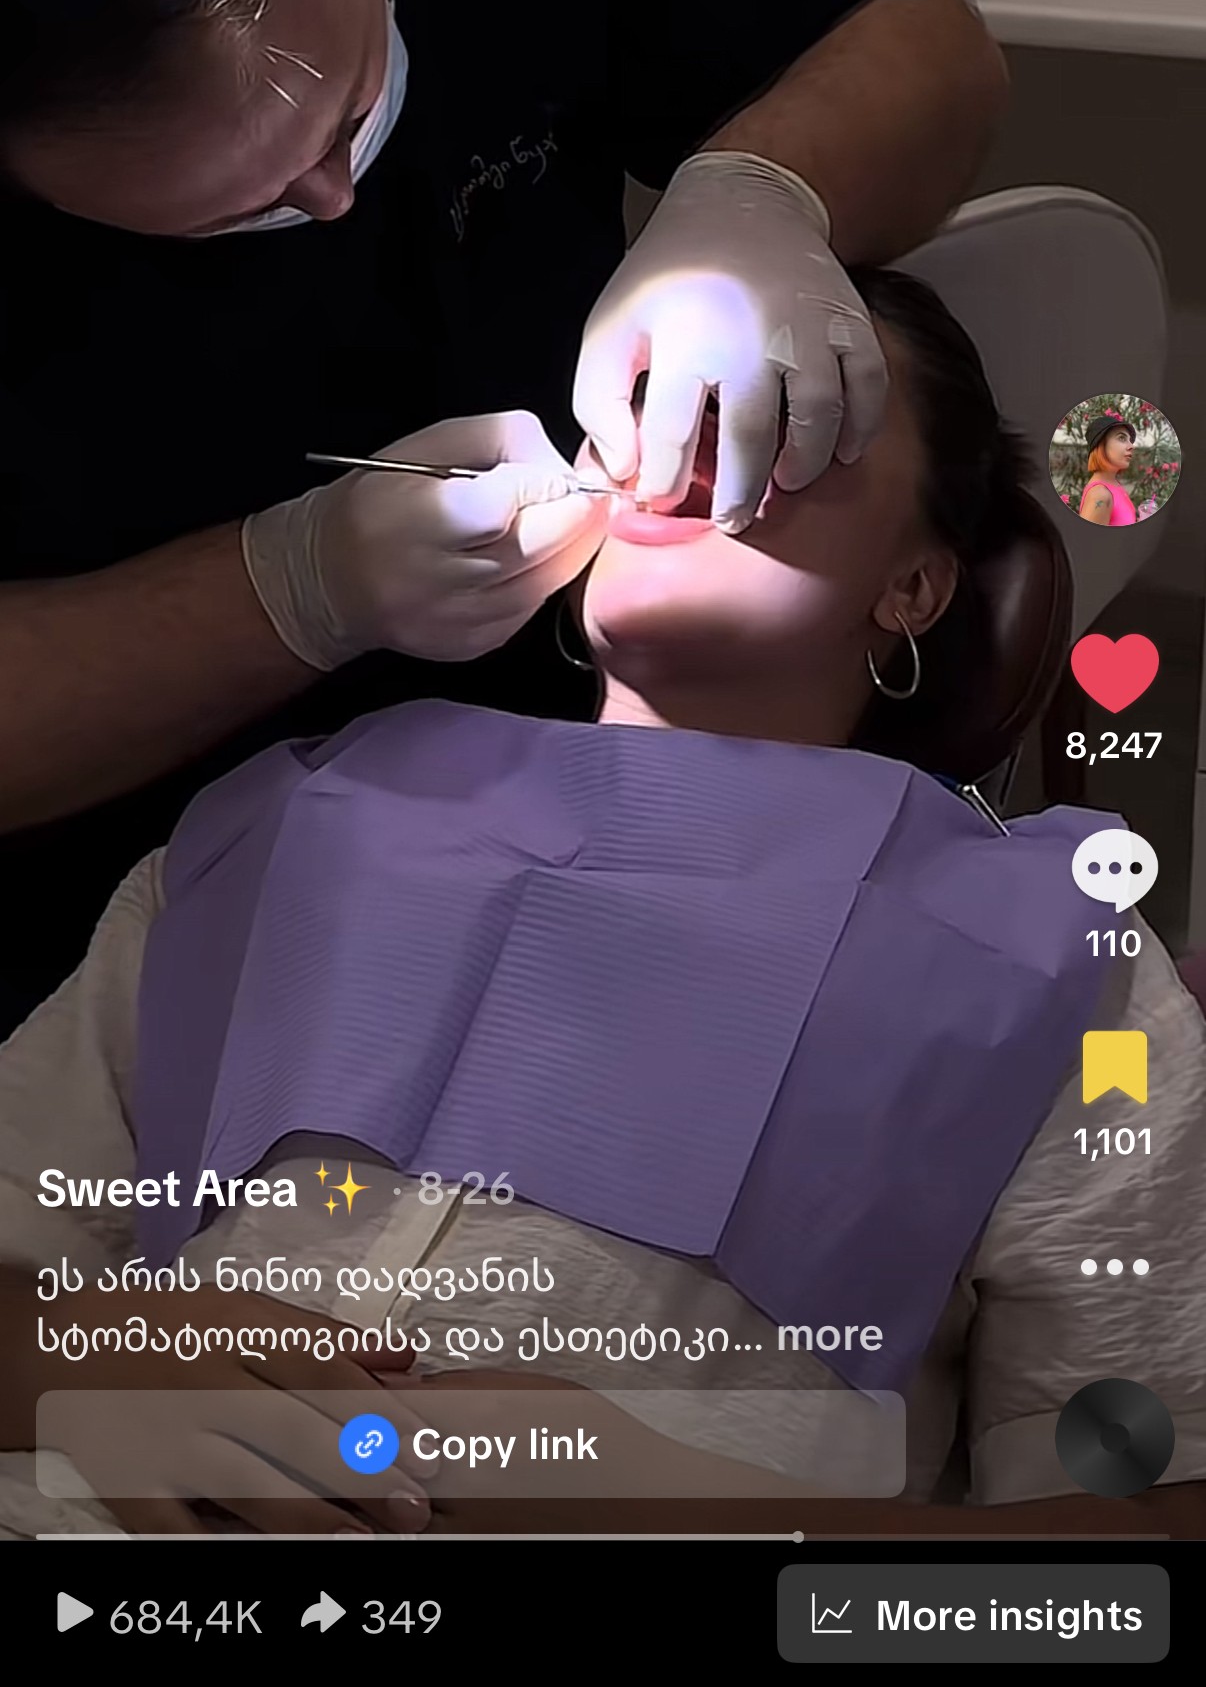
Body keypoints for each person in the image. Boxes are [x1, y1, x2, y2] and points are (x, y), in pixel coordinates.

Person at [1, 273, 1202, 1542]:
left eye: (794, 408)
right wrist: (82, 1355)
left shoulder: (1061, 967)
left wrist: (694, 1515)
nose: (694, 440)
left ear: (913, 586)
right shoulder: (282, 823)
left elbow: (1138, 1545)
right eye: (656, 400)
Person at [0, 0, 1007, 1027]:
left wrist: (756, 194)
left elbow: (920, 41)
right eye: (232, 207)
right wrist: (291, 587)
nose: (334, 197)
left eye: (350, 101)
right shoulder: (208, 897)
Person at [1077, 414, 1138, 526]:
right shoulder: (1100, 495)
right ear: (1101, 445)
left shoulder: (1114, 485)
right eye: (1121, 438)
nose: (1132, 446)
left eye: (1130, 440)